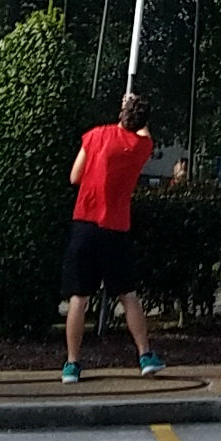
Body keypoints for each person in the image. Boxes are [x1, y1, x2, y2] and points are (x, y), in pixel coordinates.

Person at [60, 92, 165, 383]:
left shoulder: (95, 136)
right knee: (128, 295)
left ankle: (72, 364)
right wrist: (133, 106)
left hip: (85, 224)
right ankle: (144, 354)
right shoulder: (140, 146)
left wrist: (125, 105)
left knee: (79, 298)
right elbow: (143, 130)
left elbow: (75, 177)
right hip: (116, 228)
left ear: (122, 114)